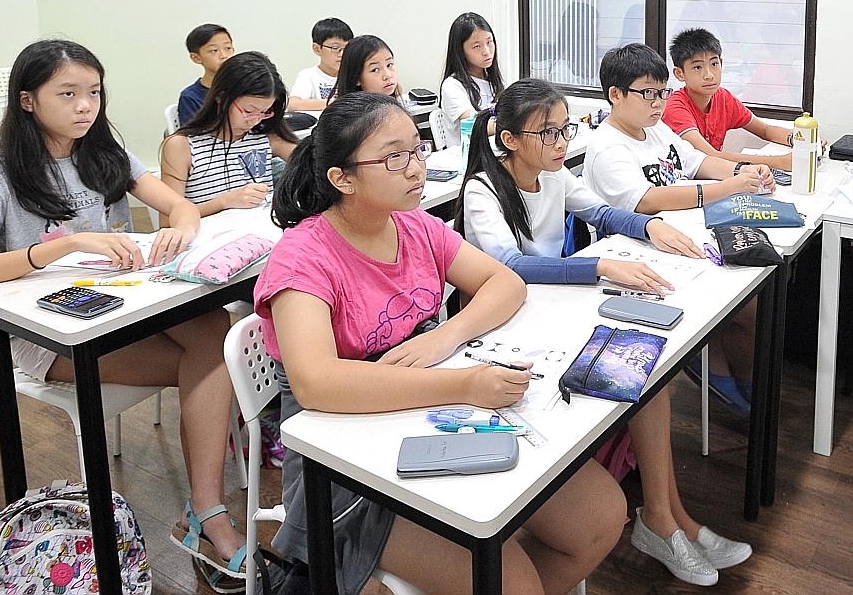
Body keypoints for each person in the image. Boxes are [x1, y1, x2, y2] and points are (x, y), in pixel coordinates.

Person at [255, 93, 625, 595]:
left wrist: (444, 338)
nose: (415, 169)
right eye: (394, 157)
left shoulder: (414, 225)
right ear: (342, 178)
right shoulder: (304, 256)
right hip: (345, 461)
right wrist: (463, 384)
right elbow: (317, 383)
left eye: (416, 150)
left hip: (429, 409)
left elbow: (506, 284)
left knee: (602, 516)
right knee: (512, 583)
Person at [0, 40, 248, 591]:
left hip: (123, 304)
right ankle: (207, 515)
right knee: (214, 359)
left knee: (215, 332)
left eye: (93, 92)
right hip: (52, 336)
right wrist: (58, 248)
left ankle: (205, 511)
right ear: (28, 101)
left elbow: (177, 203)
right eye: (68, 94)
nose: (86, 106)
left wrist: (180, 224)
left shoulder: (103, 152)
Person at [454, 77, 752, 584]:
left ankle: (670, 517)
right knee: (632, 362)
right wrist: (599, 267)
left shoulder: (552, 173)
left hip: (548, 313)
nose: (561, 142)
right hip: (503, 334)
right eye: (547, 133)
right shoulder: (483, 190)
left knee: (648, 370)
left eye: (564, 129)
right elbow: (507, 267)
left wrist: (647, 225)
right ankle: (661, 520)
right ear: (509, 139)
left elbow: (601, 211)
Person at [584, 42, 774, 415]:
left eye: (662, 92)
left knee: (752, 301)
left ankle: (741, 384)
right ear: (616, 95)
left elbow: (700, 161)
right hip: (635, 258)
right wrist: (729, 187)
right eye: (648, 93)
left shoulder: (653, 130)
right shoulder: (608, 146)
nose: (658, 103)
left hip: (677, 240)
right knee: (743, 304)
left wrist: (744, 172)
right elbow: (648, 200)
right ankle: (722, 376)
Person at [161, 51, 300, 215]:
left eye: (264, 112)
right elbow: (168, 220)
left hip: (260, 234)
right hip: (209, 236)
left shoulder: (267, 137)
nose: (255, 120)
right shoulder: (182, 146)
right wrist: (224, 202)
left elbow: (315, 164)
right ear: (221, 97)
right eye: (249, 111)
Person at [663, 28, 794, 172]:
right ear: (679, 73)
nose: (709, 75)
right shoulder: (675, 107)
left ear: (721, 63)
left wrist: (801, 140)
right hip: (684, 183)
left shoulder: (723, 97)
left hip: (715, 177)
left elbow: (765, 130)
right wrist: (780, 162)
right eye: (697, 67)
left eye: (714, 64)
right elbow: (710, 156)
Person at [439, 12, 505, 123]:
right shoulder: (452, 86)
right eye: (477, 46)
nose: (486, 51)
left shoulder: (495, 81)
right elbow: (473, 125)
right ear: (461, 51)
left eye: (489, 42)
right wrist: (512, 124)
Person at [290, 17, 353, 112]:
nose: (342, 54)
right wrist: (339, 103)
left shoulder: (354, 74)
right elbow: (293, 104)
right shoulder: (309, 75)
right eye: (335, 48)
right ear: (317, 49)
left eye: (347, 48)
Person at [177, 23, 234, 126]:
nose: (224, 56)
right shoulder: (191, 97)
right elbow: (192, 135)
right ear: (196, 58)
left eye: (228, 48)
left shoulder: (244, 87)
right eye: (214, 51)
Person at [331, 35, 402, 102]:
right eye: (375, 70)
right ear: (357, 79)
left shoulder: (394, 105)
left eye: (389, 65)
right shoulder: (357, 114)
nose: (388, 75)